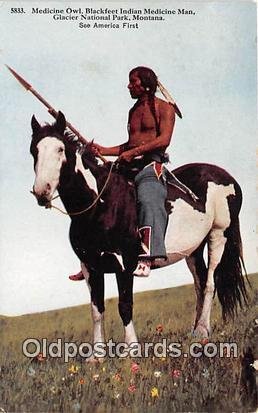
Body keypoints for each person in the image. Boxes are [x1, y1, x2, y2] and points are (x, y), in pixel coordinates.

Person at [69, 66, 176, 280]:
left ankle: (146, 257)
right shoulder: (133, 111)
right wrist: (104, 150)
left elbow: (164, 140)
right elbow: (129, 144)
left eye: (132, 82)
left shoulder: (165, 108)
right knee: (100, 192)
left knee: (148, 198)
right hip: (127, 166)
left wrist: (134, 153)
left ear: (145, 85)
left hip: (149, 167)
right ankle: (92, 257)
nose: (128, 86)